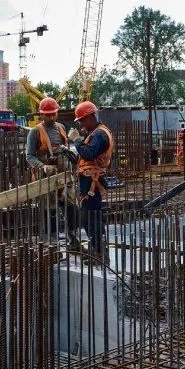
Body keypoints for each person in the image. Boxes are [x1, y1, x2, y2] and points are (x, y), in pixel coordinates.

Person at [71, 101, 114, 255]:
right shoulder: (97, 133)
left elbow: (89, 153)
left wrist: (77, 140)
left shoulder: (99, 134)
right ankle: (99, 249)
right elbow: (87, 157)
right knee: (92, 217)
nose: (82, 124)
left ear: (91, 117)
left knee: (90, 218)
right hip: (91, 180)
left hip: (92, 181)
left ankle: (99, 251)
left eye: (82, 120)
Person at [25, 97, 69, 177]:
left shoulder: (61, 127)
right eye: (48, 115)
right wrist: (43, 166)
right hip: (44, 175)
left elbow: (65, 149)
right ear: (41, 114)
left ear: (57, 112)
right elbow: (29, 156)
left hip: (61, 171)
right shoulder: (35, 131)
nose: (51, 118)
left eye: (53, 114)